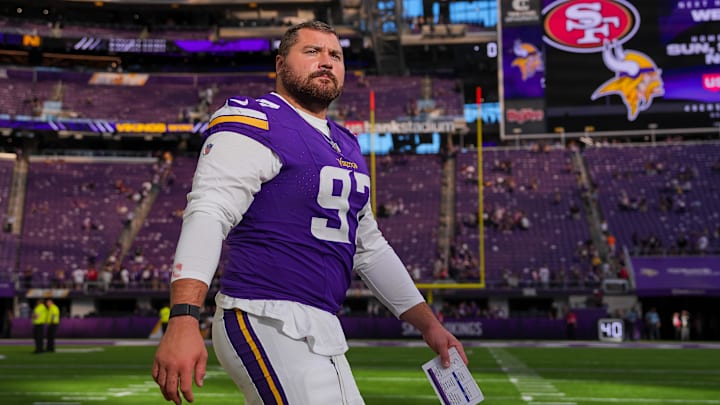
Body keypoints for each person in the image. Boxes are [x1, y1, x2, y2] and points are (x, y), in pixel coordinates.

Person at [152, 20, 468, 405]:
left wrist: (429, 326)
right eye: (312, 51)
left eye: (335, 54)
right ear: (281, 64)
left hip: (321, 325)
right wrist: (184, 316)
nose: (326, 61)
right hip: (264, 313)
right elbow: (209, 210)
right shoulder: (257, 119)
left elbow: (368, 246)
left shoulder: (346, 144)